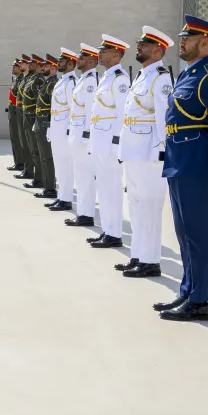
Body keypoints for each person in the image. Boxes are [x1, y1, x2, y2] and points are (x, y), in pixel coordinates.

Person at [156, 15, 208, 322]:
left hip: (199, 166)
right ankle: (188, 291)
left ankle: (200, 300)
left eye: (187, 38)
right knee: (184, 231)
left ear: (205, 42)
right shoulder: (189, 75)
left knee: (199, 235)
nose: (182, 42)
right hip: (179, 162)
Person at [116, 27, 173, 278]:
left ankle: (151, 261)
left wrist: (161, 151)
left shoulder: (161, 78)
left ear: (157, 50)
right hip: (134, 150)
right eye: (139, 44)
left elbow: (163, 119)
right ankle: (138, 255)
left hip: (150, 152)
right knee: (136, 204)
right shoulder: (142, 76)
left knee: (149, 207)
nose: (138, 47)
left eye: (144, 45)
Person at [86, 35, 130, 249]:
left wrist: (116, 144)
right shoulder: (106, 77)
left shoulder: (120, 79)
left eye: (103, 52)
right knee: (103, 187)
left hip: (110, 143)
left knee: (112, 188)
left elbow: (122, 114)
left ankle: (114, 234)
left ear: (115, 55)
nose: (99, 55)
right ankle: (107, 230)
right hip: (100, 140)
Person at [65, 44, 100, 226]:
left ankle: (86, 215)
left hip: (83, 136)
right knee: (81, 175)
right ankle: (83, 212)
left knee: (86, 176)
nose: (78, 59)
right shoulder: (83, 79)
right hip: (77, 133)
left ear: (91, 61)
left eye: (82, 57)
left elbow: (90, 111)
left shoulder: (91, 81)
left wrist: (87, 136)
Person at [45, 48, 78, 211]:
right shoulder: (62, 80)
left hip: (64, 128)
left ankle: (66, 199)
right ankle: (62, 196)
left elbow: (74, 108)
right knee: (59, 163)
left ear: (71, 64)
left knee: (66, 165)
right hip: (57, 126)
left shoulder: (72, 81)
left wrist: (69, 129)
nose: (59, 63)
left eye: (62, 61)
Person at [30, 55, 59, 197]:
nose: (43, 68)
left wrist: (48, 124)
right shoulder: (47, 83)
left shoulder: (53, 84)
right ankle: (46, 184)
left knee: (47, 156)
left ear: (53, 68)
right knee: (42, 154)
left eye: (46, 66)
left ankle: (50, 188)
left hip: (45, 122)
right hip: (39, 121)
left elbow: (54, 106)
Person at [6, 59, 25, 173]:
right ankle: (17, 162)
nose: (13, 68)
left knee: (18, 138)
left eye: (15, 66)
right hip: (12, 110)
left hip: (17, 111)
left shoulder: (21, 80)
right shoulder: (17, 80)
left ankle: (21, 162)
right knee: (14, 138)